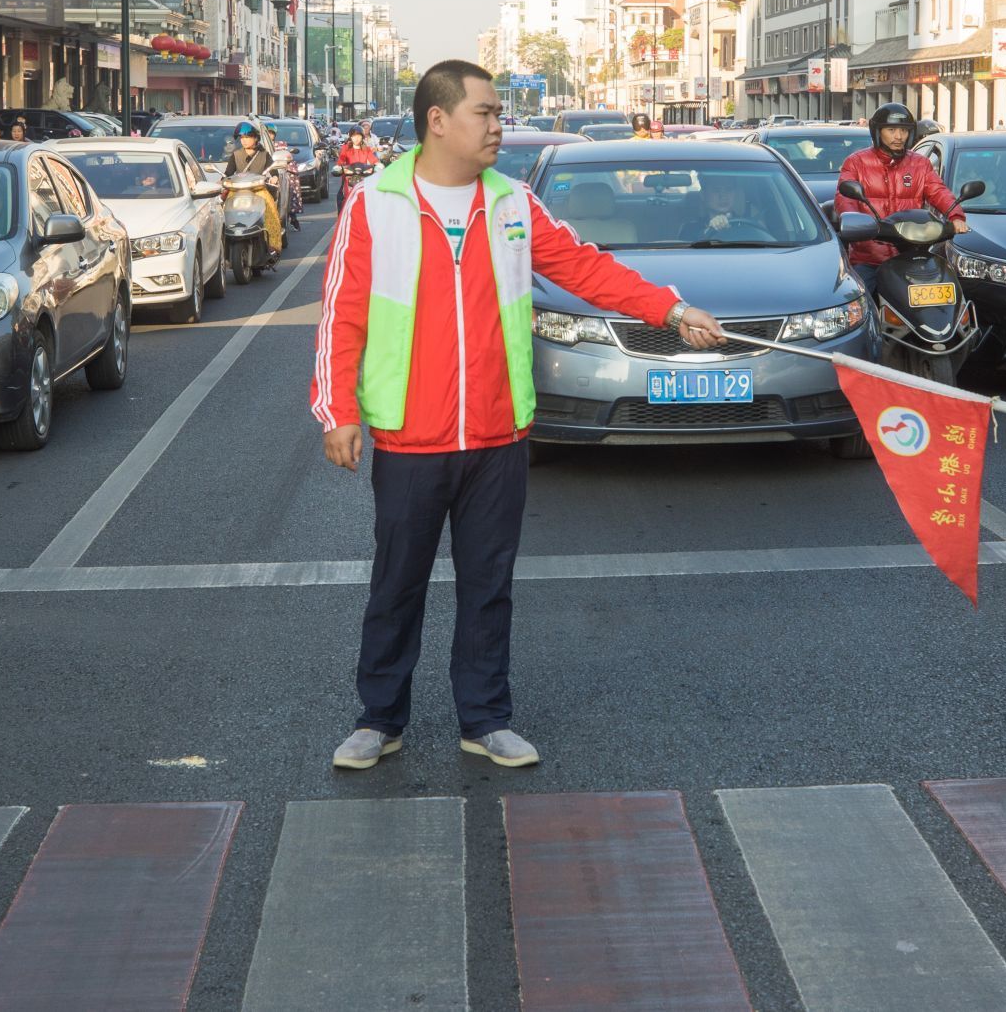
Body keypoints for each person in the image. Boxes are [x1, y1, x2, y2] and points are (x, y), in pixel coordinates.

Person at [311, 59, 725, 772]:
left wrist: (672, 308)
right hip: (411, 437)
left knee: (488, 585)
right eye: (486, 112)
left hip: (498, 436)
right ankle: (378, 718)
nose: (499, 126)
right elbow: (340, 316)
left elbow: (585, 268)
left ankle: (486, 717)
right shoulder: (373, 203)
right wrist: (337, 411)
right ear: (437, 120)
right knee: (396, 584)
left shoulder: (512, 203)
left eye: (500, 113)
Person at [835, 102, 970, 286]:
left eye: (904, 130)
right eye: (891, 130)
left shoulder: (920, 163)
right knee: (860, 303)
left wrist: (956, 216)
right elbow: (846, 198)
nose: (899, 136)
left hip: (913, 253)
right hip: (870, 258)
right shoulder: (856, 163)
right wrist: (852, 222)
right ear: (878, 131)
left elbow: (938, 191)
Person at [226, 121, 285, 259]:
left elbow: (274, 171)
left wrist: (274, 178)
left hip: (259, 190)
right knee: (222, 213)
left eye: (247, 137)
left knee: (271, 213)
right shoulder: (235, 155)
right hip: (238, 191)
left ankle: (272, 246)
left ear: (255, 138)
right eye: (242, 138)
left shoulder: (264, 155)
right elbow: (228, 174)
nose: (244, 141)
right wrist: (222, 181)